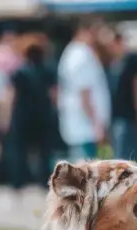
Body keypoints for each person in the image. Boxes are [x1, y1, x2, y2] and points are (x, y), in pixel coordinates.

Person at [0, 37, 54, 204]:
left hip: (21, 116)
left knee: (18, 152)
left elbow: (10, 96)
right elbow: (53, 95)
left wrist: (4, 118)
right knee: (44, 153)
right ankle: (45, 183)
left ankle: (18, 184)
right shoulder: (48, 71)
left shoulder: (18, 72)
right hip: (42, 116)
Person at [57, 17, 111, 161]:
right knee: (85, 173)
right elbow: (84, 94)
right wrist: (97, 124)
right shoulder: (80, 55)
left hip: (86, 126)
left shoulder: (78, 53)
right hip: (86, 127)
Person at [107, 31, 137, 163]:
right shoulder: (113, 63)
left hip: (129, 118)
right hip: (117, 119)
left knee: (127, 159)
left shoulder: (132, 60)